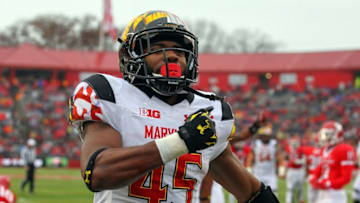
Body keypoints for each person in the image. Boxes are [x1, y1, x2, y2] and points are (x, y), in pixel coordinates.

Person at [69, 10, 279, 203]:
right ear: (129, 56)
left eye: (180, 51)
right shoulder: (110, 94)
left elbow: (250, 191)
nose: (172, 56)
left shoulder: (209, 109)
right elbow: (98, 174)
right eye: (158, 49)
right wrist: (181, 141)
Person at [310, 121, 356, 203]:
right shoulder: (325, 149)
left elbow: (346, 177)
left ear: (338, 135)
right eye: (324, 135)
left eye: (328, 135)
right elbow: (322, 166)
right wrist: (314, 176)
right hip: (321, 192)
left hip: (335, 194)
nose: (325, 138)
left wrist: (329, 184)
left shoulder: (345, 150)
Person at [245, 126, 286, 197]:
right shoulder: (256, 144)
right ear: (261, 136)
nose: (265, 137)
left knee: (273, 194)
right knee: (256, 195)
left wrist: (281, 171)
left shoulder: (274, 144)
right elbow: (250, 159)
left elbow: (280, 159)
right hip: (258, 174)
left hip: (271, 174)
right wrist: (249, 171)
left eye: (267, 136)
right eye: (264, 135)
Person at [284, 135, 306, 203]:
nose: (294, 144)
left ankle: (300, 200)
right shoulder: (288, 148)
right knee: (290, 188)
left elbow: (304, 160)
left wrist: (297, 161)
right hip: (291, 170)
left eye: (295, 142)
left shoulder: (301, 149)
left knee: (300, 188)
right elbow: (286, 158)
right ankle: (289, 201)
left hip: (299, 170)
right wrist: (285, 168)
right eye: (293, 142)